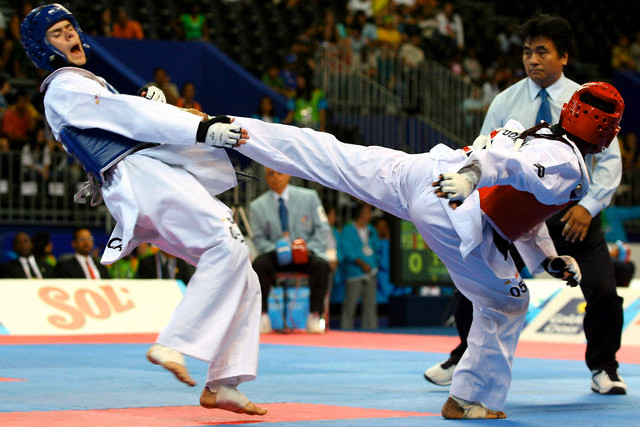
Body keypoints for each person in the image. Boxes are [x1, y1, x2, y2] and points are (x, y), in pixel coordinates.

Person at [227, 79, 623, 418]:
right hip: (454, 204)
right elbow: (509, 167)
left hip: (426, 171)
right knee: (507, 303)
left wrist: (547, 259)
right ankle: (467, 399)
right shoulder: (568, 166)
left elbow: (523, 207)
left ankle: (231, 129)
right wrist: (472, 177)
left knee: (335, 156)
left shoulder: (543, 133)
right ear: (608, 134)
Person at [20, 4, 265, 415]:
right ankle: (174, 341)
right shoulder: (63, 85)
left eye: (70, 28)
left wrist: (146, 103)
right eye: (57, 34)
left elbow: (119, 115)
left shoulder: (84, 84)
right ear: (41, 48)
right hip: (142, 177)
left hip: (144, 179)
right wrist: (200, 129)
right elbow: (127, 118)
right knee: (227, 243)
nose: (70, 37)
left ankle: (224, 381)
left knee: (241, 272)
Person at [423, 14, 628, 397]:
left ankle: (605, 366)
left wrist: (587, 207)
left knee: (603, 290)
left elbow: (611, 162)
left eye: (542, 52)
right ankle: (464, 356)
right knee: (474, 285)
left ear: (564, 56)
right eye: (527, 52)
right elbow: (484, 150)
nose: (532, 60)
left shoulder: (589, 99)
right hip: (515, 215)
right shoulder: (507, 100)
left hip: (574, 216)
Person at [249, 167, 331, 334]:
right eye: (270, 174)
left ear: (288, 174)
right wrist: (277, 249)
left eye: (279, 173)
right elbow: (258, 238)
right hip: (275, 254)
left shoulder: (309, 197)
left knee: (321, 265)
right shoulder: (257, 206)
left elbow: (323, 229)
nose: (275, 177)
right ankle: (262, 315)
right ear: (266, 178)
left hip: (304, 252)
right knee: (259, 264)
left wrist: (307, 248)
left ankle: (315, 315)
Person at [339, 201, 380, 330]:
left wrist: (373, 265)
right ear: (361, 213)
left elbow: (375, 249)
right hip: (354, 273)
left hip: (370, 273)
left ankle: (371, 333)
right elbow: (347, 250)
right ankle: (345, 332)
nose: (370, 214)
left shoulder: (372, 230)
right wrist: (362, 264)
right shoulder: (348, 229)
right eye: (368, 212)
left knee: (370, 306)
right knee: (350, 305)